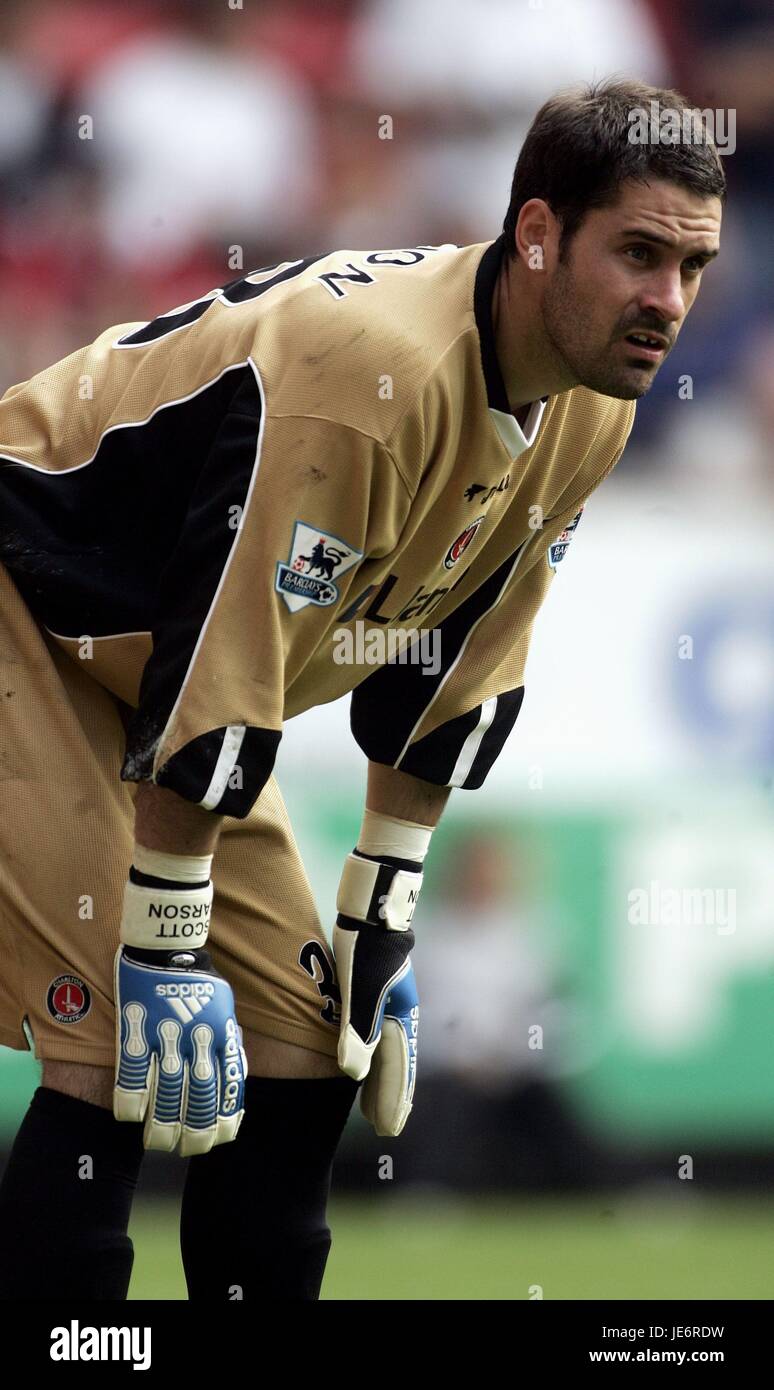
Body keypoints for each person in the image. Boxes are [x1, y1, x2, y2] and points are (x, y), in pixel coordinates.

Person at [0, 78, 724, 1300]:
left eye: (693, 265)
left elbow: (458, 667)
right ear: (537, 233)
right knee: (118, 1045)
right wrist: (168, 942)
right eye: (640, 253)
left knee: (307, 1036)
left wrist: (380, 910)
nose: (669, 300)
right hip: (32, 613)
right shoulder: (373, 372)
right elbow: (223, 662)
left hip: (145, 676)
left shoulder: (589, 399)